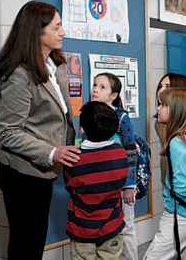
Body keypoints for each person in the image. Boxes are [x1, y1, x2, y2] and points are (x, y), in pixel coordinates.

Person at [0, 1, 80, 260]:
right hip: (21, 172)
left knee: (34, 242)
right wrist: (53, 152)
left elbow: (57, 116)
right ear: (36, 32)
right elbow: (9, 133)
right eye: (56, 27)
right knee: (25, 246)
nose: (62, 32)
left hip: (43, 171)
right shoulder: (19, 74)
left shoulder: (56, 65)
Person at [144, 88, 186, 260]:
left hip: (180, 213)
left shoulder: (177, 142)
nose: (158, 108)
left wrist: (170, 205)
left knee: (153, 255)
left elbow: (181, 184)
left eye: (163, 105)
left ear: (177, 111)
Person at [65, 101, 131, 260]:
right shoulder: (119, 152)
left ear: (82, 129)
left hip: (82, 229)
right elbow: (122, 179)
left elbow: (69, 184)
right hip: (112, 226)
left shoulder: (74, 157)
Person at [91, 72, 138, 260]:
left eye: (102, 87)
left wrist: (129, 186)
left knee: (126, 227)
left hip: (120, 185)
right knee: (102, 228)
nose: (95, 89)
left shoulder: (121, 117)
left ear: (113, 95)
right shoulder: (89, 114)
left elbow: (131, 150)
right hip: (99, 185)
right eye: (95, 85)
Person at [154, 73, 186, 185]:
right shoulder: (159, 121)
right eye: (160, 86)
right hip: (167, 177)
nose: (160, 91)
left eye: (167, 87)